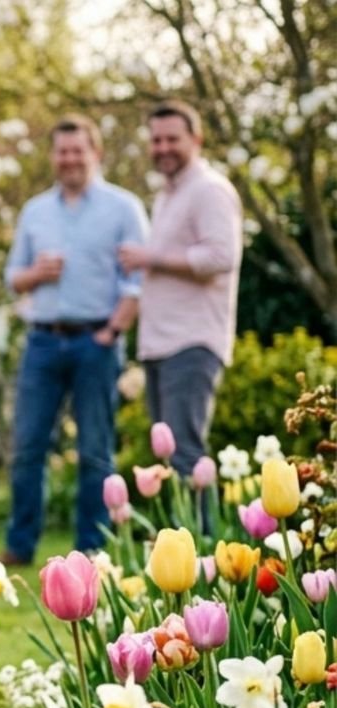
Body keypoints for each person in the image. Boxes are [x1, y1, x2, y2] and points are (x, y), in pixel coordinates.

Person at [0, 115, 151, 567]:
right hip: (43, 342)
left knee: (95, 451)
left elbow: (137, 282)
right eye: (62, 151)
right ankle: (20, 545)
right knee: (27, 447)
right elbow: (13, 278)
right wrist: (36, 273)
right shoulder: (35, 211)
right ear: (53, 156)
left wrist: (112, 332)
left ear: (95, 153)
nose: (69, 159)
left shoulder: (123, 208)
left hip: (96, 342)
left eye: (77, 150)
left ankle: (92, 548)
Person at [120, 99, 243, 486]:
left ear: (197, 139)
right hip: (160, 343)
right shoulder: (167, 196)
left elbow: (221, 256)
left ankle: (203, 529)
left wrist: (151, 258)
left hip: (192, 342)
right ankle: (183, 529)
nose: (163, 148)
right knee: (169, 463)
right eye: (156, 140)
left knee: (185, 456)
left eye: (172, 139)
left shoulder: (210, 190)